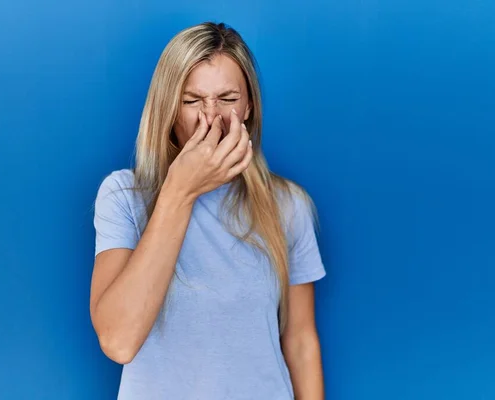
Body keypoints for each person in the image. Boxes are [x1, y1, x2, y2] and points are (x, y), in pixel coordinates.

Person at [90, 21, 326, 400]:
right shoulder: (123, 196)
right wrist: (179, 192)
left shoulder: (288, 205)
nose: (210, 117)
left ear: (248, 107)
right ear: (168, 108)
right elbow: (118, 341)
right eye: (191, 100)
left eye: (228, 99)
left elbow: (300, 341)